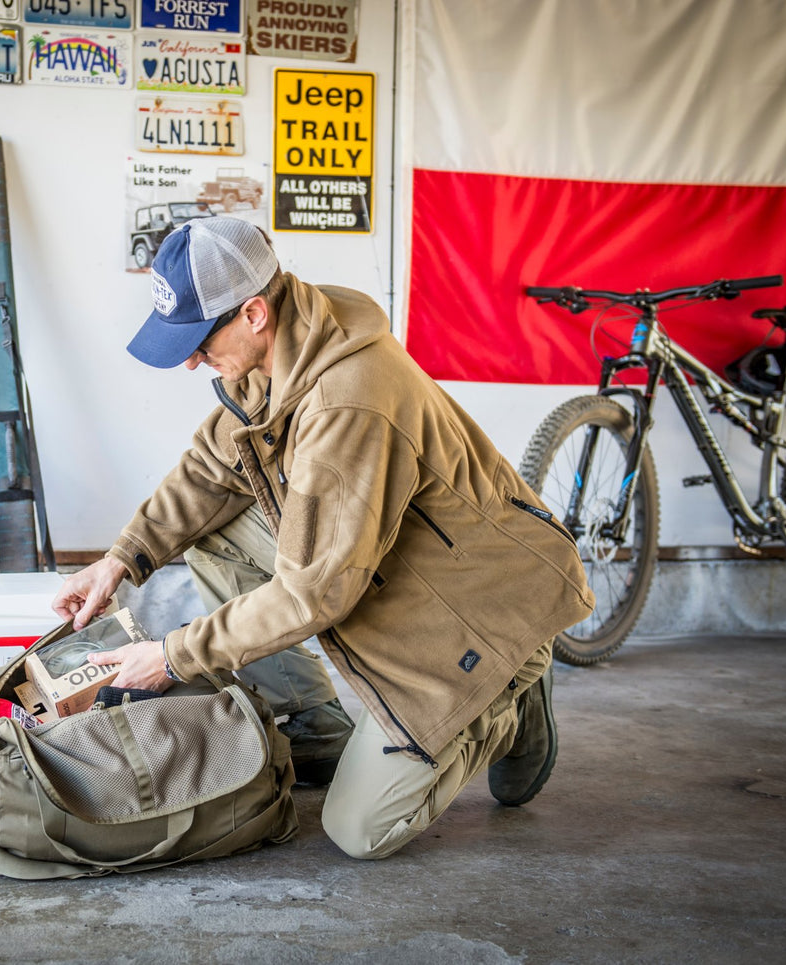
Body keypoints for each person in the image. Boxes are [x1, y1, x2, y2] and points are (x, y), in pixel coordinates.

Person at [51, 216, 595, 859]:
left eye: (199, 339)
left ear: (253, 312)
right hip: (394, 567)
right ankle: (314, 718)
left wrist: (173, 657)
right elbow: (209, 470)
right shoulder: (283, 341)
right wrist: (119, 561)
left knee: (360, 831)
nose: (193, 359)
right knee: (215, 533)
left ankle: (510, 691)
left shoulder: (348, 401)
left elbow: (316, 593)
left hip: (483, 606)